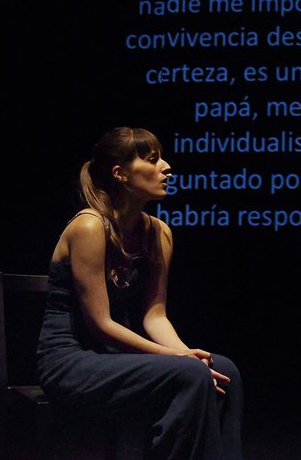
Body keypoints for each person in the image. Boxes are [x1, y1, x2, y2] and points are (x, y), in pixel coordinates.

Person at [36, 127, 243, 460]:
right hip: (71, 360)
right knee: (189, 373)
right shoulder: (89, 226)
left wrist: (188, 354)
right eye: (152, 159)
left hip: (116, 358)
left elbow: (154, 315)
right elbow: (100, 324)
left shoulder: (159, 232)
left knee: (223, 371)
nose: (166, 167)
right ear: (120, 173)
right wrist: (176, 358)